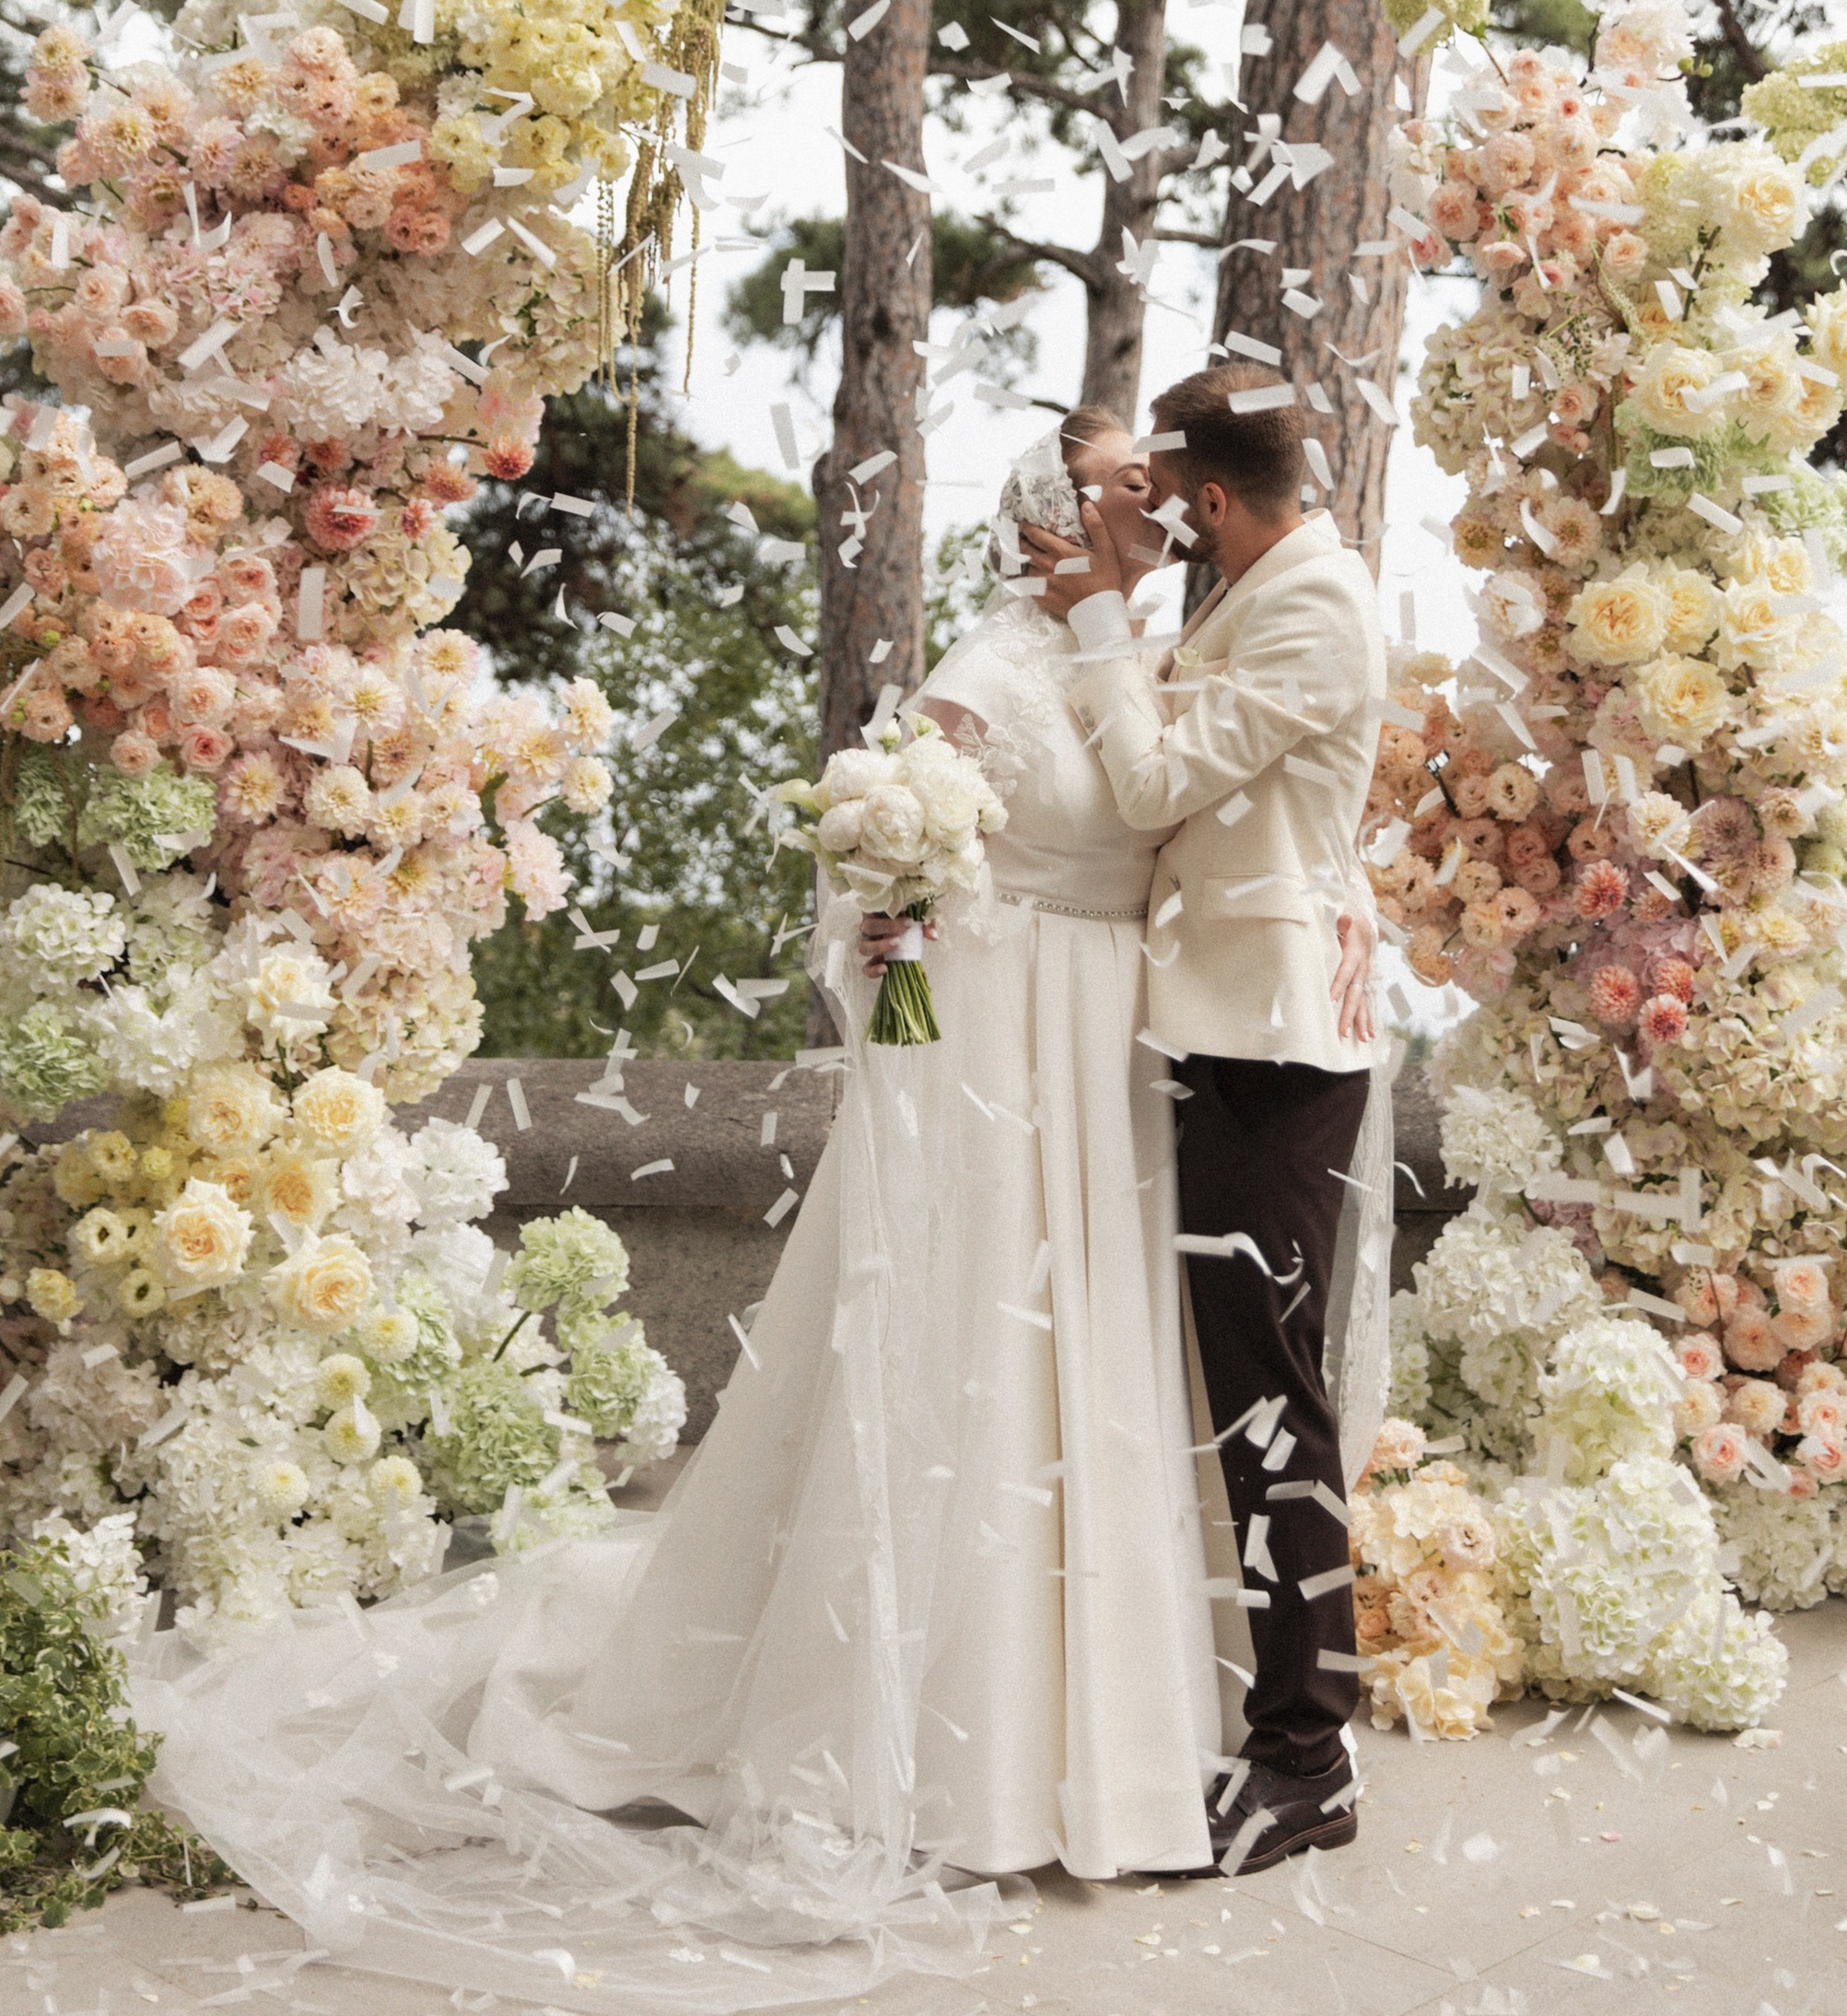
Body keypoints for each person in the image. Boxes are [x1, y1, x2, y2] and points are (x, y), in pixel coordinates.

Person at [128, 409, 1385, 2013]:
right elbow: (886, 870)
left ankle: (1148, 1724)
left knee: (1122, 1387)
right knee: (995, 1382)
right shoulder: (999, 672)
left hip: (1121, 1069)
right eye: (1118, 486)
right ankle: (977, 1737)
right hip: (1021, 1067)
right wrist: (912, 1031)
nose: (1149, 499)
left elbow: (1175, 791)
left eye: (1158, 481)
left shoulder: (1151, 633)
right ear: (1056, 525)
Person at [1016, 363, 1389, 1877]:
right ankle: (1264, 1714)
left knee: (1270, 1391)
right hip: (1223, 1024)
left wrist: (1101, 619)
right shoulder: (1265, 578)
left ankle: (1310, 1758)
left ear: (1223, 499)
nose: (1158, 529)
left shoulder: (1316, 606)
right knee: (1237, 1383)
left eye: (1174, 506)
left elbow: (1162, 778)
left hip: (1275, 1048)